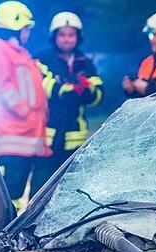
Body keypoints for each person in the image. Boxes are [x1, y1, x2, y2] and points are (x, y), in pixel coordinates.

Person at [0, 1, 50, 207]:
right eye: (26, 28)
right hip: (13, 135)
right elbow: (1, 86)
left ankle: (12, 231)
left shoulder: (19, 53)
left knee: (19, 195)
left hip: (28, 135)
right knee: (9, 195)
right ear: (15, 24)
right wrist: (25, 111)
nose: (28, 33)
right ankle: (3, 233)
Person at [34, 12, 103, 195]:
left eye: (71, 35)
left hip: (75, 136)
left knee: (68, 190)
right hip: (47, 135)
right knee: (40, 188)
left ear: (77, 37)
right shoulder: (42, 58)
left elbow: (98, 94)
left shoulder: (85, 62)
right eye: (62, 35)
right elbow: (40, 84)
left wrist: (88, 91)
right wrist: (65, 90)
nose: (66, 39)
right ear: (54, 36)